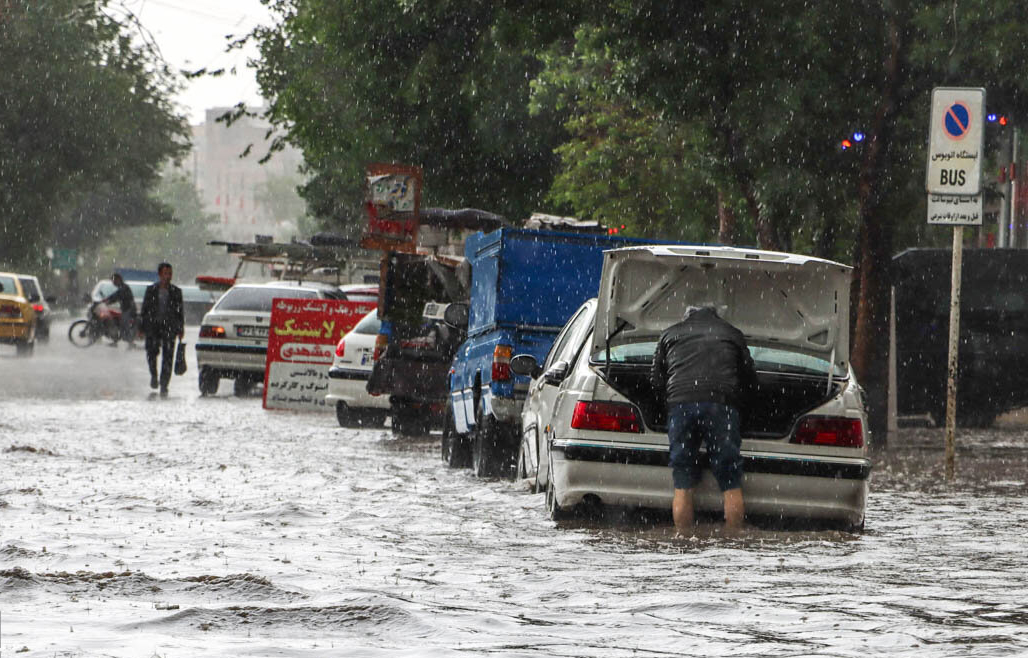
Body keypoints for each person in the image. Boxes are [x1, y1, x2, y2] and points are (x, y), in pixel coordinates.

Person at [650, 305, 757, 533]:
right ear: (717, 316)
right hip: (721, 405)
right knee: (730, 478)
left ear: (686, 316)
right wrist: (739, 408)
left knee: (683, 478)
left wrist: (669, 407)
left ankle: (683, 538)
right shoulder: (732, 333)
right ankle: (733, 540)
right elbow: (750, 380)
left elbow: (657, 381)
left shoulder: (670, 334)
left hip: (681, 404)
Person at [140, 263, 184, 398]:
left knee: (168, 357)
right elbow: (144, 310)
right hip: (153, 327)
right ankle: (154, 375)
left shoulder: (176, 292)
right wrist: (141, 328)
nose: (168, 276)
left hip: (169, 328)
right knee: (151, 352)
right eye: (165, 273)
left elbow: (180, 312)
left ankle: (164, 384)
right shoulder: (151, 290)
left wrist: (180, 328)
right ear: (160, 274)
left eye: (170, 273)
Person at [102, 273, 137, 346]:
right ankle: (116, 342)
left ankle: (131, 343)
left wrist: (108, 301)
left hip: (128, 309)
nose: (113, 282)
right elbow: (115, 295)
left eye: (114, 281)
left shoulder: (124, 288)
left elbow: (117, 296)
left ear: (118, 280)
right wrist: (107, 300)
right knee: (121, 325)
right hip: (126, 308)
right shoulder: (122, 287)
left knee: (124, 326)